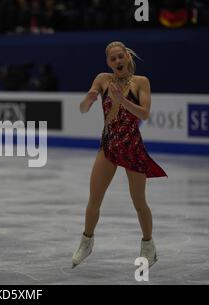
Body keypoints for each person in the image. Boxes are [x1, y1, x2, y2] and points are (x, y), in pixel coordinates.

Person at [72, 41, 166, 268]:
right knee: (94, 198)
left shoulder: (141, 82)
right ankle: (86, 241)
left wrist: (121, 100)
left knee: (139, 202)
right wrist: (89, 99)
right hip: (108, 147)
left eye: (120, 57)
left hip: (132, 147)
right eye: (112, 59)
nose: (117, 62)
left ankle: (148, 245)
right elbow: (83, 110)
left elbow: (144, 113)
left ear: (127, 57)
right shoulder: (102, 80)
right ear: (108, 62)